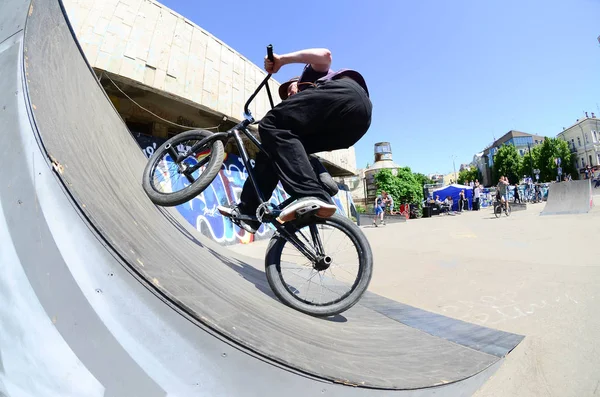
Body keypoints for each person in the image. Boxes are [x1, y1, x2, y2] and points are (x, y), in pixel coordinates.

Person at [218, 47, 372, 233]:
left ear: (298, 82)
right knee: (274, 150)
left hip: (346, 96)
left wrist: (281, 60)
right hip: (354, 127)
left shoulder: (311, 77)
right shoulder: (312, 115)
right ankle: (249, 212)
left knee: (270, 124)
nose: (290, 96)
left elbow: (325, 55)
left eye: (291, 90)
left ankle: (312, 193)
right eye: (286, 96)